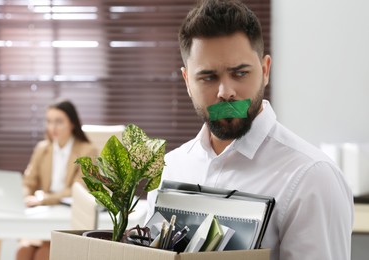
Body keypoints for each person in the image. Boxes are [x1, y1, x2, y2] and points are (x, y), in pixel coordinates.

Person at [146, 1, 354, 260]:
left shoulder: (312, 178)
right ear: (188, 81)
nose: (226, 93)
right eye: (208, 77)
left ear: (265, 71)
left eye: (240, 73)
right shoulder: (171, 166)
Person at [16, 100, 98, 260]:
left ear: (72, 123)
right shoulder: (42, 148)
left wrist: (44, 199)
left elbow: (79, 189)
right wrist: (22, 196)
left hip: (68, 215)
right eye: (49, 121)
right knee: (23, 251)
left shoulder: (87, 150)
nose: (52, 127)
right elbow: (29, 182)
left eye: (59, 122)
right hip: (43, 214)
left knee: (43, 254)